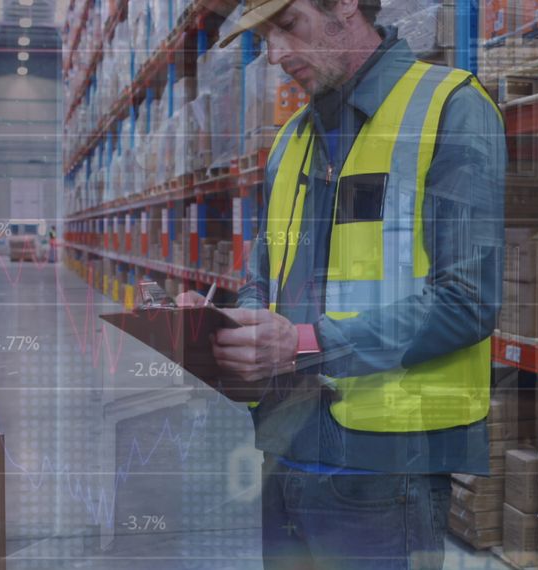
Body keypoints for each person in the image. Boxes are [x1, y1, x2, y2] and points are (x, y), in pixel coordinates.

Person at [177, 0, 505, 567]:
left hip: (387, 472)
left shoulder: (450, 108)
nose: (276, 56)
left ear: (347, 6)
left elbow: (468, 301)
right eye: (266, 36)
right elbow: (264, 278)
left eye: (288, 25)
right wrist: (232, 328)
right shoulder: (289, 143)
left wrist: (303, 344)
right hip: (283, 455)